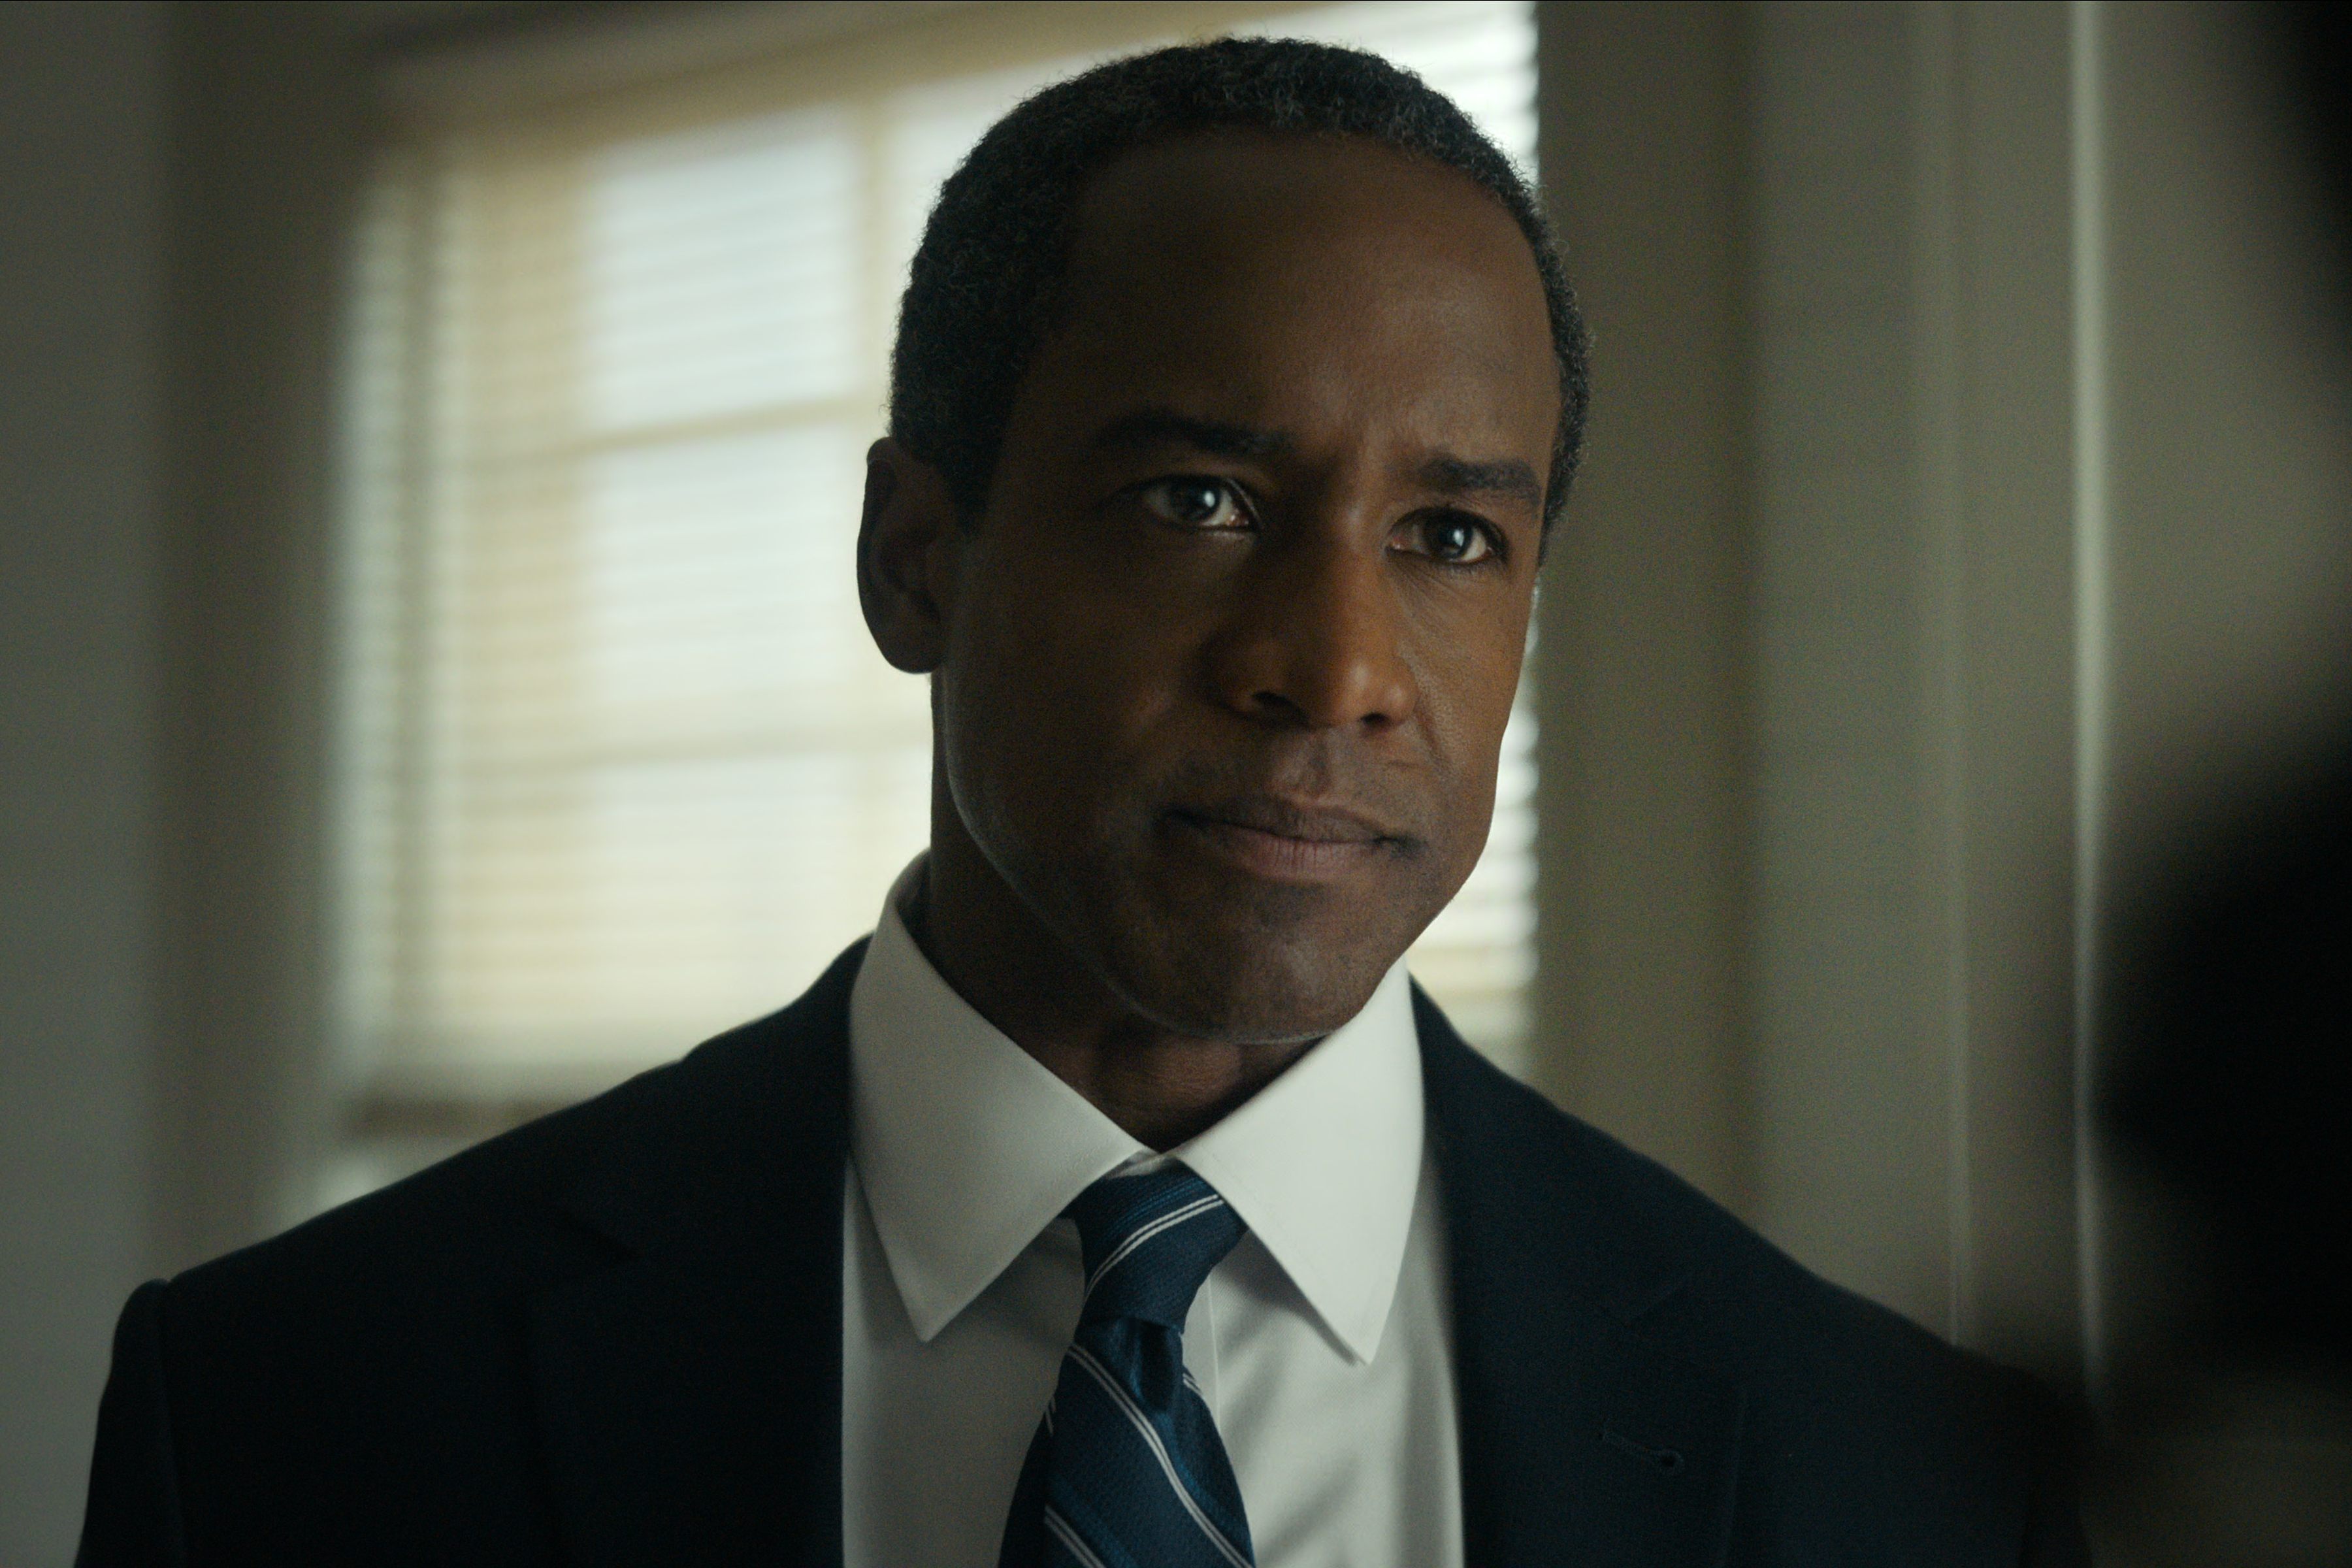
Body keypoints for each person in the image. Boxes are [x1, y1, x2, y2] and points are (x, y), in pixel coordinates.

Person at [77, 37, 2083, 1567]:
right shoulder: (295, 1409)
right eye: (1201, 501)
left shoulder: (1898, 1474)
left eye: (1454, 534)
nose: (1342, 665)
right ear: (917, 559)